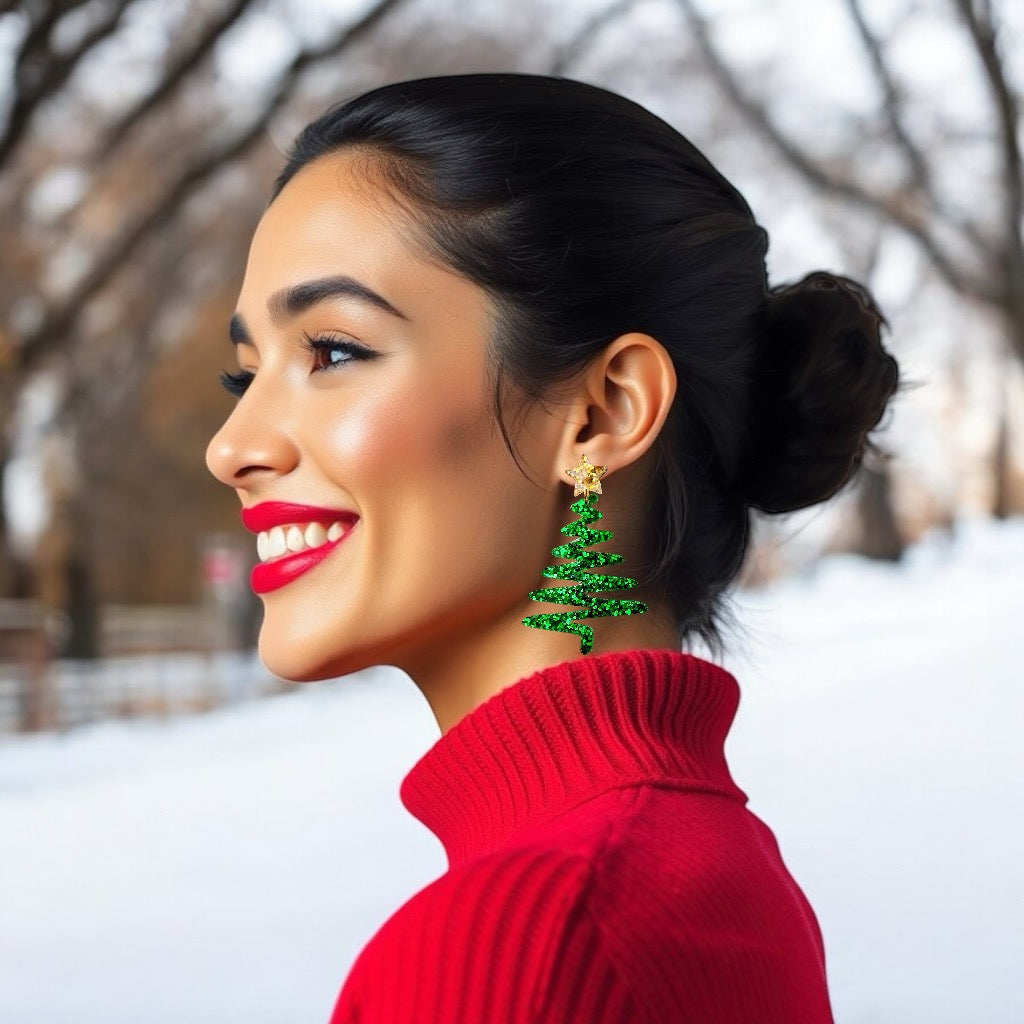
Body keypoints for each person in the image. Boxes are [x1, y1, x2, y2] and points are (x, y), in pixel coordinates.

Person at [206, 73, 899, 1024]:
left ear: (604, 411)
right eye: (243, 376)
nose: (233, 446)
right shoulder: (703, 869)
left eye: (331, 351)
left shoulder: (528, 943)